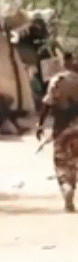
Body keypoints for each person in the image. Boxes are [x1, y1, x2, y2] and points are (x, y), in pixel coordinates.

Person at [37, 53, 78, 212]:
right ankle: (72, 188)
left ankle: (66, 187)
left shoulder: (58, 81)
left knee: (61, 163)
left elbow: (48, 104)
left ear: (63, 63)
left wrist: (40, 125)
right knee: (74, 163)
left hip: (62, 127)